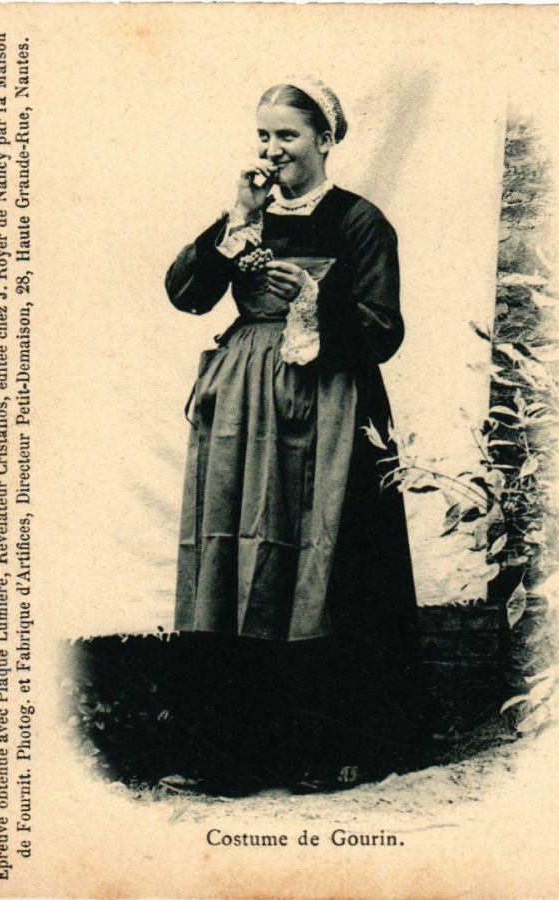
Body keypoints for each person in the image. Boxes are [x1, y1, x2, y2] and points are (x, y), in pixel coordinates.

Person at [164, 79, 420, 794]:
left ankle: (326, 748)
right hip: (244, 409)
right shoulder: (247, 218)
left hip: (324, 405)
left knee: (321, 560)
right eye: (264, 135)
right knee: (234, 557)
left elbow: (382, 329)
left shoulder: (359, 221)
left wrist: (311, 302)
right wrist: (237, 220)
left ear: (325, 141)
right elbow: (187, 294)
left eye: (288, 135)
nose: (272, 150)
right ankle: (231, 755)